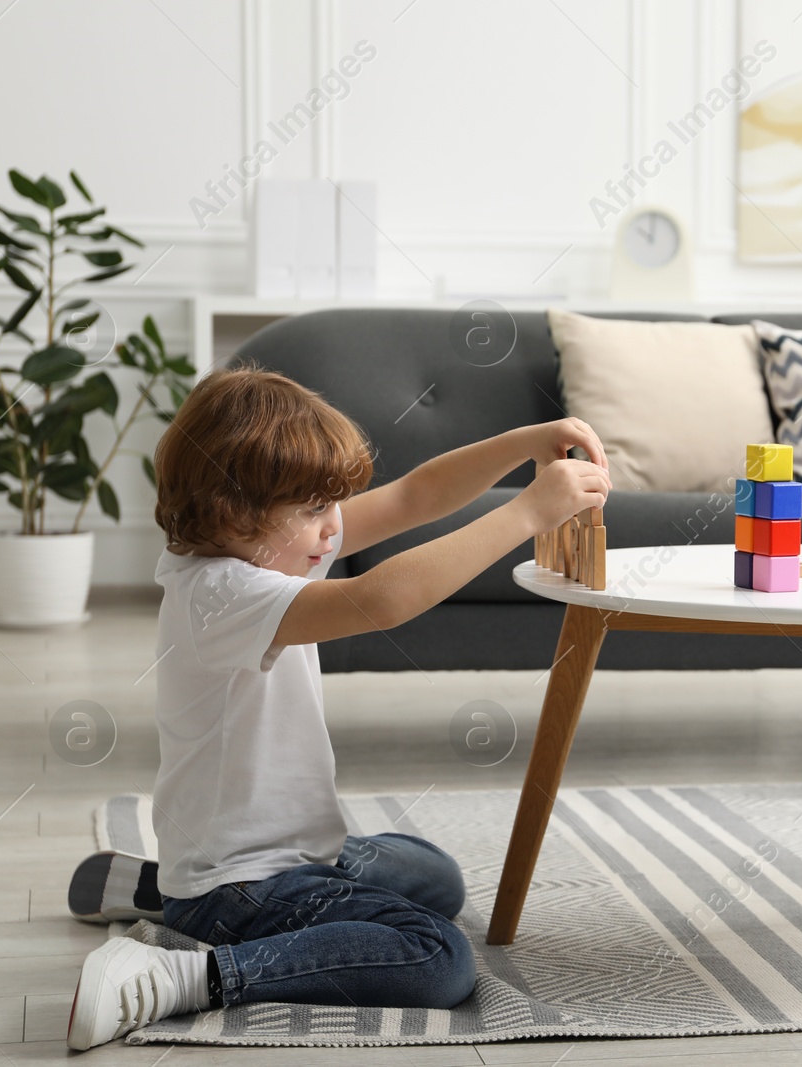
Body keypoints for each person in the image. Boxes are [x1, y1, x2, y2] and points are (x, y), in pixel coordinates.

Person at [67, 366, 611, 1050]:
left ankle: (160, 889)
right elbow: (382, 598)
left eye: (333, 507)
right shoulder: (221, 592)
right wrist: (528, 512)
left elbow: (416, 494)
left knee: (432, 876)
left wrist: (521, 440)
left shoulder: (267, 548)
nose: (334, 529)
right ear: (234, 511)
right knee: (437, 956)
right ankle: (189, 970)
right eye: (314, 510)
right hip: (243, 884)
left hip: (274, 854)